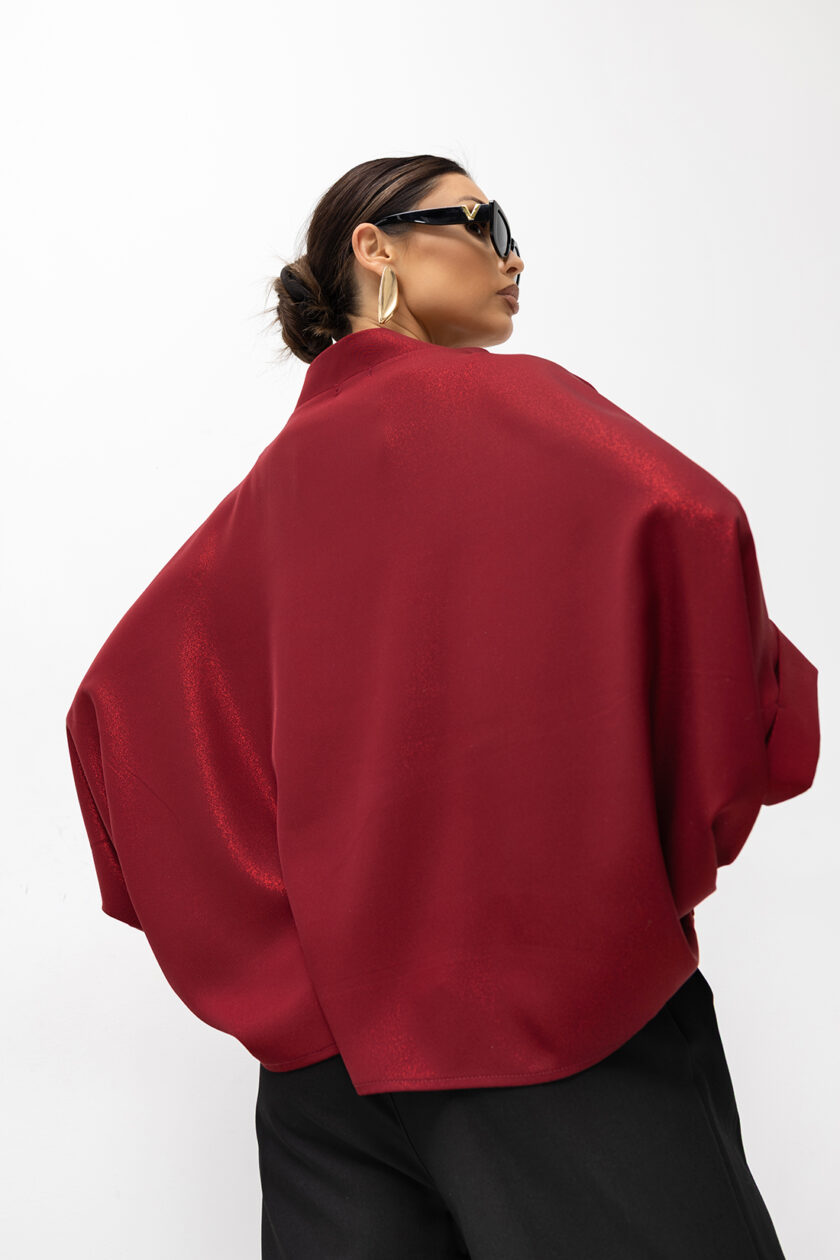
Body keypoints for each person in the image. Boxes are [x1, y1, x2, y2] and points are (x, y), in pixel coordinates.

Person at [66, 155, 819, 1258]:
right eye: (484, 221)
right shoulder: (528, 411)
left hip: (326, 1086)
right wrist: (649, 856)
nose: (514, 257)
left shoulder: (262, 503)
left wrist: (279, 967)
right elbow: (703, 537)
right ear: (375, 248)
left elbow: (114, 714)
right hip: (556, 1030)